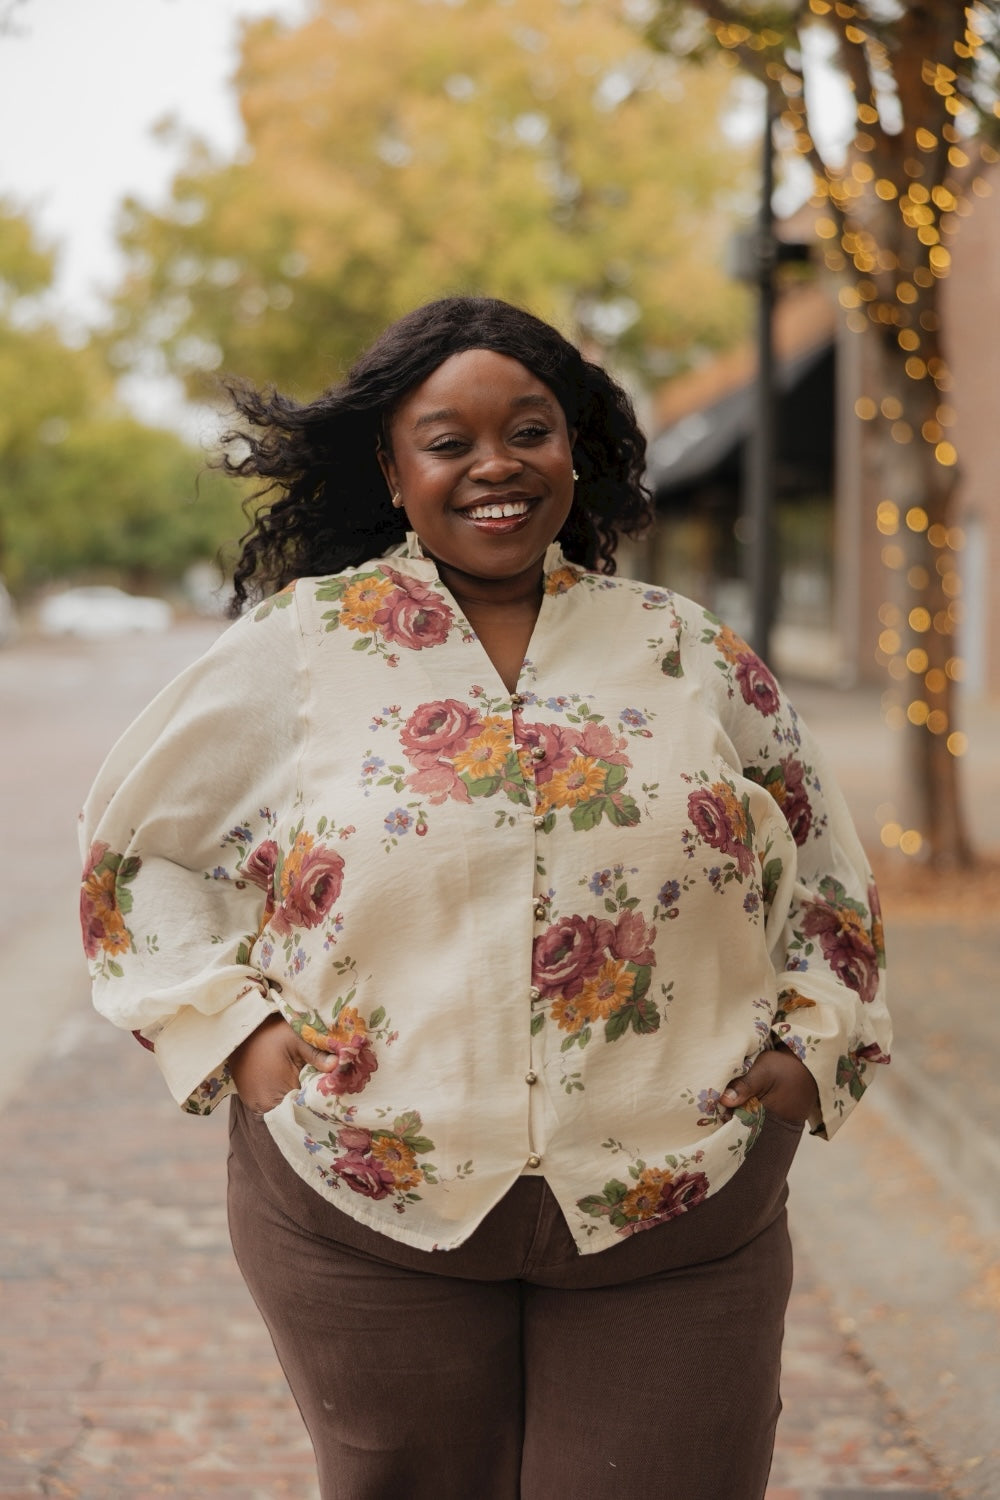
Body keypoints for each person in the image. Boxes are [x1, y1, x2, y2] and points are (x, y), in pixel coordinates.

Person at [79, 296, 891, 1500]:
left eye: (530, 430)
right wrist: (240, 1037)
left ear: (578, 450)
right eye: (448, 441)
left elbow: (824, 872)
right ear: (394, 470)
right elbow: (135, 858)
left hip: (676, 1205)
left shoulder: (686, 651)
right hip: (368, 1205)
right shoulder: (300, 647)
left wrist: (803, 1054)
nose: (495, 466)